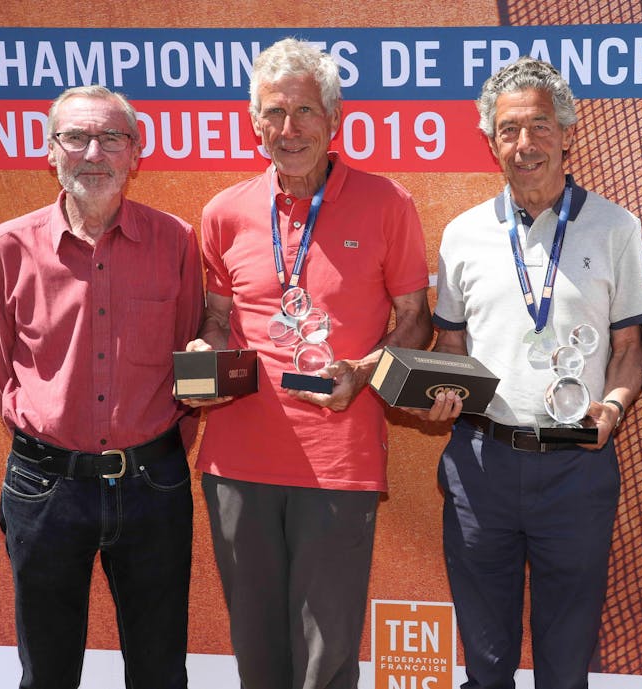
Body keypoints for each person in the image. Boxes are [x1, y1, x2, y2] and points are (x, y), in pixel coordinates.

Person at [183, 38, 431, 689]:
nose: (288, 129)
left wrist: (364, 371)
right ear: (253, 121)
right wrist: (207, 356)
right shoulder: (222, 213)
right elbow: (214, 315)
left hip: (338, 463)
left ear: (334, 119)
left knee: (326, 659)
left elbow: (415, 321)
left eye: (304, 111)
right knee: (258, 657)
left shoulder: (389, 205)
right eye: (273, 112)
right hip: (237, 462)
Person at [418, 57, 642, 689]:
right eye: (510, 130)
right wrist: (439, 393)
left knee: (565, 665)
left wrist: (615, 406)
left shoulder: (615, 228)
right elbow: (450, 344)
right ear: (491, 142)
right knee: (486, 666)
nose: (526, 144)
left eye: (541, 126)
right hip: (481, 466)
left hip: (577, 468)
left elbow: (630, 346)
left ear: (568, 133)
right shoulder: (463, 234)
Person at [0, 85, 203, 689]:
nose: (94, 152)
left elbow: (188, 359)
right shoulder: (5, 248)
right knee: (46, 674)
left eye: (112, 137)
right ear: (52, 153)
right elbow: (0, 376)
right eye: (75, 137)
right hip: (44, 487)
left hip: (153, 485)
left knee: (160, 673)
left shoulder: (177, 241)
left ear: (137, 154)